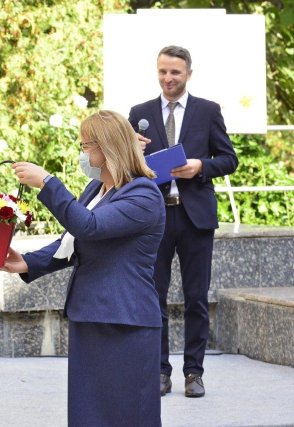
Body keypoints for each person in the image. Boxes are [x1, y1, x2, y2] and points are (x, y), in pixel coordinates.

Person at [1, 110, 166, 427]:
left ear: (107, 148)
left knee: (128, 413)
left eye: (86, 145)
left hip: (124, 321)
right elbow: (71, 241)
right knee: (89, 414)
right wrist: (27, 262)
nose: (83, 153)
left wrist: (48, 183)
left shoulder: (143, 193)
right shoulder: (96, 190)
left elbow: (88, 226)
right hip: (90, 314)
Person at [128, 45, 238, 398]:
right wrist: (134, 150)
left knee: (196, 298)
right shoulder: (139, 113)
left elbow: (229, 159)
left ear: (188, 73)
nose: (168, 78)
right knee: (153, 297)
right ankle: (160, 371)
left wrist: (200, 166)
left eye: (174, 72)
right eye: (162, 71)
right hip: (153, 218)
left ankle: (194, 372)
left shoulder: (208, 111)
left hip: (195, 217)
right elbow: (123, 166)